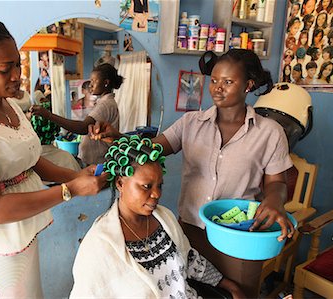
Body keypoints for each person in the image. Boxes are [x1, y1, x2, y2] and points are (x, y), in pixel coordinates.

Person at [89, 49, 295, 298]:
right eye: (215, 80)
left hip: (239, 237)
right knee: (191, 290)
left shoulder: (270, 132)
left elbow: (277, 181)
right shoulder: (191, 123)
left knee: (239, 293)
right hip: (190, 233)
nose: (217, 88)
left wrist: (274, 199)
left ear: (248, 85)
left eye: (228, 82)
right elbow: (151, 150)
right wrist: (118, 138)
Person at [0, 15, 107, 298]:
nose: (17, 75)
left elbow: (31, 161)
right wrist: (71, 189)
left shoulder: (9, 106)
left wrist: (77, 175)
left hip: (19, 232)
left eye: (17, 64)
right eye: (5, 69)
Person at [70, 136, 245, 298]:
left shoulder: (165, 218)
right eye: (146, 186)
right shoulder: (100, 243)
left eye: (159, 185)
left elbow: (190, 260)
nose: (156, 194)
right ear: (120, 183)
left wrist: (229, 285)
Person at [32, 63, 123, 166]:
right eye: (91, 81)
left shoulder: (105, 105)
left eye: (94, 81)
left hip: (98, 162)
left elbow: (83, 128)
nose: (90, 85)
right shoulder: (104, 102)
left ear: (106, 82)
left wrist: (49, 116)